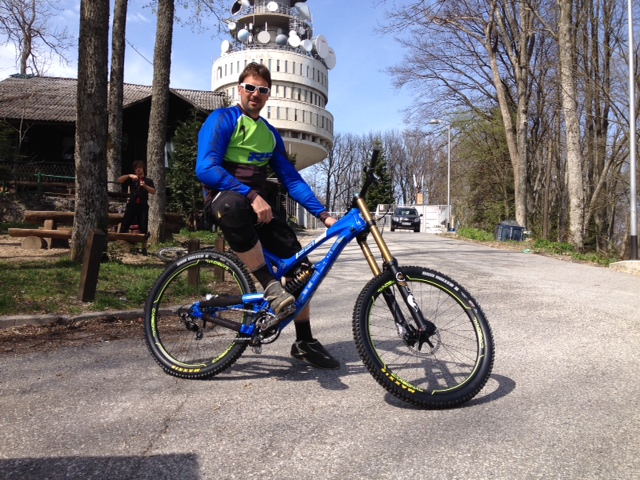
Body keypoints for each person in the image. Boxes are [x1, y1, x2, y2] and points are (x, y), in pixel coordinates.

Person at [196, 62, 339, 370]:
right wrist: (250, 195)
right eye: (250, 87)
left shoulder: (270, 134)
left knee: (301, 270)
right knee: (234, 206)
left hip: (259, 208)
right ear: (239, 89)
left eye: (262, 90)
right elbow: (205, 168)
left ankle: (303, 341)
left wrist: (324, 215)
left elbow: (292, 180)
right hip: (225, 201)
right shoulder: (222, 119)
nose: (255, 94)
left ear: (268, 94)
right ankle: (270, 287)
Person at [117, 160, 156, 255]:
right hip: (132, 204)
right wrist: (129, 175)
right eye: (136, 168)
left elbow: (153, 192)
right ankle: (120, 245)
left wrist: (145, 186)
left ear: (143, 168)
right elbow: (119, 180)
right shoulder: (132, 179)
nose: (138, 169)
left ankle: (144, 248)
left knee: (143, 227)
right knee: (125, 224)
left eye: (140, 167)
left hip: (142, 206)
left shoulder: (148, 181)